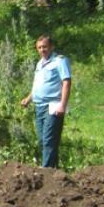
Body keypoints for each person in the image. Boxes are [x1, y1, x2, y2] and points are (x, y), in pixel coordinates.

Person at [20, 34, 71, 168]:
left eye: (45, 47)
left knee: (49, 140)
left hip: (53, 106)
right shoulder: (39, 64)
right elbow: (38, 86)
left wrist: (63, 106)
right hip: (39, 106)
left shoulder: (59, 61)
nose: (42, 50)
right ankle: (54, 171)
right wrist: (28, 99)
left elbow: (66, 82)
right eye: (39, 47)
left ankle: (46, 171)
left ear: (51, 47)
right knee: (43, 140)